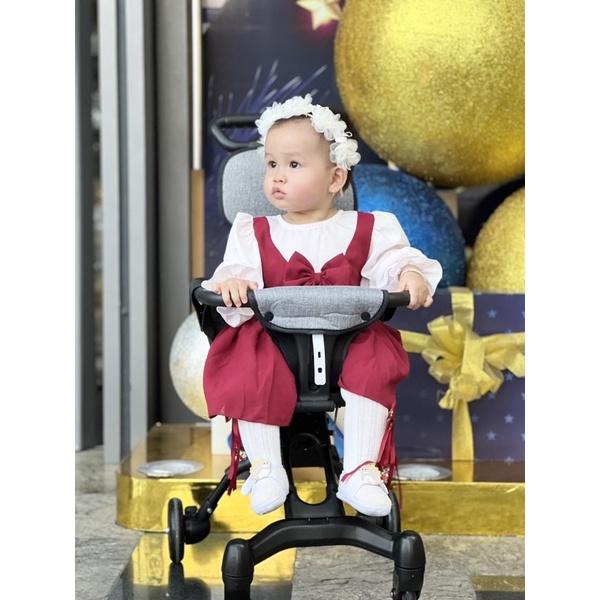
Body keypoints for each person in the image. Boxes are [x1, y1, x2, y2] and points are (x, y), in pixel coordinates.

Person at [201, 94, 442, 517]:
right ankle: (266, 466)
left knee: (375, 351)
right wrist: (234, 282)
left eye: (293, 164)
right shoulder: (253, 232)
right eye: (271, 164)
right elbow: (234, 272)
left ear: (335, 179)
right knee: (249, 351)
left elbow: (393, 261)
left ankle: (360, 470)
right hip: (279, 344)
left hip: (347, 342)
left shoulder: (369, 228)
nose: (277, 176)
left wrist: (409, 274)